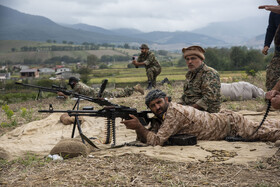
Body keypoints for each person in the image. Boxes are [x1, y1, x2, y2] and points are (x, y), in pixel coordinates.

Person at [121, 89, 280, 146]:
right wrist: (140, 127)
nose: (157, 107)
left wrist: (139, 127)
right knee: (266, 125)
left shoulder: (174, 113)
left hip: (232, 124)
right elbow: (151, 135)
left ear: (167, 100)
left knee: (268, 134)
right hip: (226, 121)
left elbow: (156, 141)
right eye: (153, 106)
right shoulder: (163, 115)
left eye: (159, 102)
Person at [180, 46, 221, 113]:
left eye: (193, 58)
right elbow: (186, 95)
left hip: (206, 113)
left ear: (201, 60)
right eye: (187, 59)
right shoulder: (190, 74)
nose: (190, 62)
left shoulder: (210, 73)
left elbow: (209, 98)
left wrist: (190, 109)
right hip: (192, 111)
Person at [259, 1, 280, 91]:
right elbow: (271, 29)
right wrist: (266, 45)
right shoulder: (274, 13)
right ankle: (270, 100)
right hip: (279, 50)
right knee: (272, 73)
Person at [58, 77, 144, 98]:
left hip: (98, 93)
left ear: (74, 83)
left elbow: (72, 96)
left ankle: (135, 88)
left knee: (117, 94)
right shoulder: (79, 84)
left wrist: (63, 95)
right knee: (116, 93)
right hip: (97, 92)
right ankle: (133, 88)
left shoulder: (77, 86)